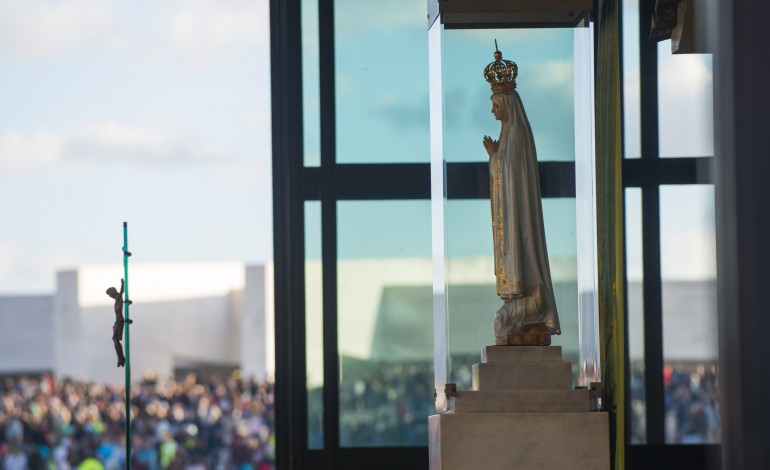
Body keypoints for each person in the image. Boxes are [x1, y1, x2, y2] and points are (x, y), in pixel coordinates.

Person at [481, 46, 561, 345]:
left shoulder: (515, 135)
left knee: (502, 320)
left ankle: (529, 301)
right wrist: (495, 157)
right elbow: (505, 171)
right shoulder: (508, 135)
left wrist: (495, 158)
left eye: (495, 104)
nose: (493, 110)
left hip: (517, 213)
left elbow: (512, 175)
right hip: (511, 209)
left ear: (506, 103)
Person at [105, 279, 133, 367]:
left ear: (113, 292)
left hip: (120, 320)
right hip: (117, 321)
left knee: (116, 339)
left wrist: (123, 283)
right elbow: (121, 301)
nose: (110, 296)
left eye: (110, 295)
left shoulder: (118, 296)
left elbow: (122, 291)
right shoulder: (117, 299)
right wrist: (126, 302)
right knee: (114, 339)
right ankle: (120, 358)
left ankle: (121, 359)